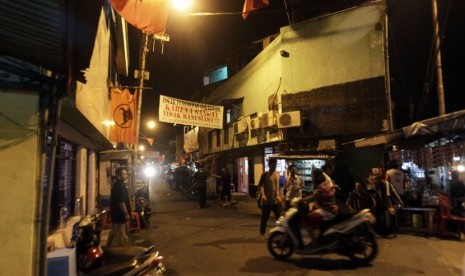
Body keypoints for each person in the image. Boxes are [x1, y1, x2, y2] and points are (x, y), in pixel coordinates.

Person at [371, 173, 403, 239]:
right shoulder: (376, 185)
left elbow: (387, 196)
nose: (373, 181)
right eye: (373, 180)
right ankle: (381, 231)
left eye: (375, 180)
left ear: (379, 179)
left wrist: (390, 207)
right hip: (385, 203)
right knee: (375, 212)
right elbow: (377, 196)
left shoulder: (386, 184)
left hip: (393, 202)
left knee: (391, 215)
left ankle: (392, 232)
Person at [258, 158, 283, 240]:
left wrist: (280, 195)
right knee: (264, 219)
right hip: (267, 202)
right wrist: (263, 195)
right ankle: (262, 235)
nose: (275, 166)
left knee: (280, 219)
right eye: (273, 164)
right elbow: (261, 186)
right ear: (269, 165)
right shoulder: (264, 174)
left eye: (275, 164)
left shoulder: (278, 174)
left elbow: (279, 186)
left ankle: (279, 234)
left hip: (276, 201)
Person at [106, 167, 131, 247]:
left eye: (126, 173)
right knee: (121, 238)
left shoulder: (118, 185)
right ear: (119, 176)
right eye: (124, 174)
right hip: (119, 216)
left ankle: (107, 250)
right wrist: (126, 213)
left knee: (113, 234)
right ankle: (121, 255)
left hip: (115, 215)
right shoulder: (119, 186)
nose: (126, 175)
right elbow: (121, 202)